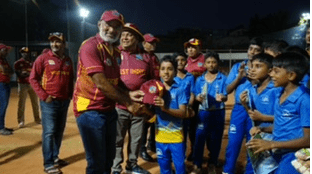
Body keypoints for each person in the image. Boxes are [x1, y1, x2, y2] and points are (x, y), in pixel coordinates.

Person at [73, 11, 145, 174]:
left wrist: (129, 93)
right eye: (108, 25)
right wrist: (128, 103)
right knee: (96, 163)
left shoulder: (115, 52)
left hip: (109, 110)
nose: (112, 30)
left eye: (116, 27)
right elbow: (101, 82)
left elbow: (115, 80)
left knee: (109, 159)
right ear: (99, 25)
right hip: (90, 111)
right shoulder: (90, 46)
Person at [246, 52, 310, 174]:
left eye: (276, 71)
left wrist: (271, 144)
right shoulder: (280, 94)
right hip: (279, 154)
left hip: (294, 157)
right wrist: (262, 129)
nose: (271, 74)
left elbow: (308, 139)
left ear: (291, 75)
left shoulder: (304, 100)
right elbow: (283, 126)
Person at [112, 23, 159, 174]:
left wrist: (148, 100)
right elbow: (108, 80)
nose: (124, 37)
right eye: (123, 34)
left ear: (137, 38)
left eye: (129, 34)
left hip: (139, 107)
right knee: (117, 139)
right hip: (119, 105)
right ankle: (116, 167)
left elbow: (153, 80)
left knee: (136, 139)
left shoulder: (146, 56)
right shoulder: (113, 53)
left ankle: (132, 164)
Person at [29, 32, 74, 174]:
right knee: (49, 132)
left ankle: (55, 157)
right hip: (49, 102)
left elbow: (71, 78)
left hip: (64, 101)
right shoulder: (42, 58)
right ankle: (48, 163)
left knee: (59, 131)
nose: (55, 44)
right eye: (52, 42)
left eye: (58, 42)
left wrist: (70, 95)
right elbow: (33, 78)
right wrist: (44, 96)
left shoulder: (68, 60)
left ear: (64, 44)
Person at [222, 37, 263, 174]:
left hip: (256, 110)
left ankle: (251, 172)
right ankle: (228, 170)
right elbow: (227, 90)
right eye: (251, 49)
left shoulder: (264, 68)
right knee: (233, 143)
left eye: (257, 50)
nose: (253, 52)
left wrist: (255, 79)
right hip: (239, 109)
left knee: (253, 143)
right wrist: (239, 77)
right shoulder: (237, 67)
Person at [191, 52, 227, 174]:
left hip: (218, 113)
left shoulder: (223, 78)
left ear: (218, 63)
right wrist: (198, 98)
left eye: (214, 62)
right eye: (208, 62)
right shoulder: (200, 79)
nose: (211, 65)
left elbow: (226, 96)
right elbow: (196, 95)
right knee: (199, 139)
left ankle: (212, 164)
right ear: (205, 64)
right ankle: (197, 165)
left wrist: (223, 97)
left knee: (215, 140)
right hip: (203, 113)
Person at [154, 55, 191, 174]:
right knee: (164, 169)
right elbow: (150, 113)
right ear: (159, 72)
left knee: (180, 168)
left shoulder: (180, 89)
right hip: (160, 138)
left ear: (175, 71)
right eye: (163, 68)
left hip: (176, 138)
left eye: (170, 69)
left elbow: (183, 112)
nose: (166, 72)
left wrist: (165, 108)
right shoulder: (154, 89)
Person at [183, 38, 206, 161]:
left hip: (202, 100)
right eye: (189, 47)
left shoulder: (205, 60)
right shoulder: (185, 61)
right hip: (189, 99)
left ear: (199, 48)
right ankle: (193, 150)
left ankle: (204, 152)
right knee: (191, 127)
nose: (190, 49)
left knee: (202, 127)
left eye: (193, 47)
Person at [140, 33, 160, 162]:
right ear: (143, 43)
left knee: (154, 121)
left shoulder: (155, 58)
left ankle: (151, 144)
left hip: (155, 94)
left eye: (154, 42)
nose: (152, 45)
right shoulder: (140, 57)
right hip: (144, 95)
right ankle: (141, 149)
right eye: (150, 42)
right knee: (143, 124)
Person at [14, 47, 40, 128]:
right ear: (21, 53)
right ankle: (21, 121)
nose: (25, 54)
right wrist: (29, 73)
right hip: (22, 85)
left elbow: (34, 74)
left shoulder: (32, 63)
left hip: (32, 84)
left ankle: (37, 119)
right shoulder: (17, 63)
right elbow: (20, 74)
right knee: (21, 103)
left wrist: (27, 73)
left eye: (26, 52)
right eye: (23, 52)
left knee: (35, 103)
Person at [174, 52, 195, 150]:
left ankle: (186, 154)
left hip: (186, 109)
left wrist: (189, 106)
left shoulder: (190, 77)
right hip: (174, 109)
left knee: (187, 132)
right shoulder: (171, 75)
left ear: (186, 62)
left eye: (182, 60)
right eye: (177, 60)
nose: (180, 62)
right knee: (175, 132)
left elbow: (192, 93)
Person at [0, 44, 14, 135]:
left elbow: (11, 71)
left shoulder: (4, 60)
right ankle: (1, 128)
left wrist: (7, 71)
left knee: (3, 106)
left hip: (6, 84)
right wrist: (7, 71)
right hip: (1, 85)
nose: (6, 52)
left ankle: (2, 126)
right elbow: (5, 71)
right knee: (2, 106)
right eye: (4, 50)